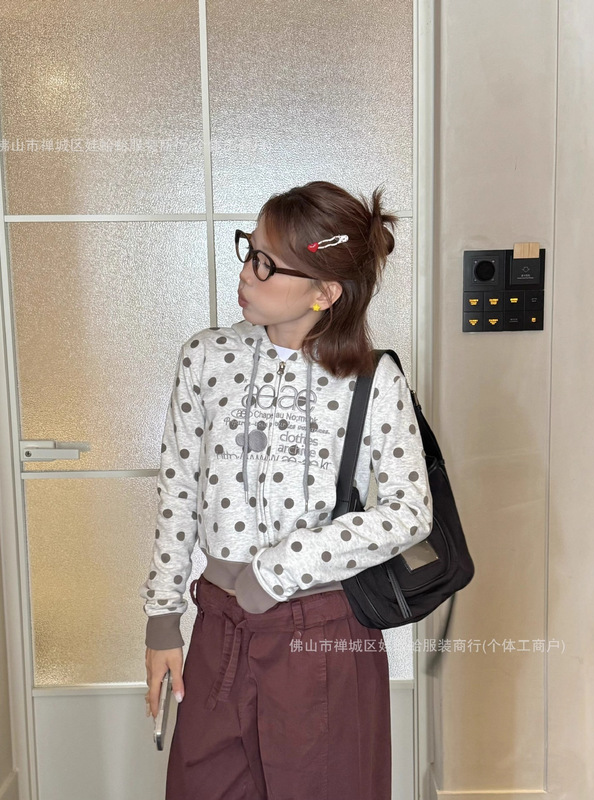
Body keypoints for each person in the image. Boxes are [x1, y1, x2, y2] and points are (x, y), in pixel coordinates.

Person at [140, 180, 433, 800]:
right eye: (249, 251)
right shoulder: (205, 357)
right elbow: (178, 489)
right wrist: (163, 617)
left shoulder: (372, 378)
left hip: (323, 637)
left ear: (326, 292)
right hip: (219, 628)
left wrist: (281, 567)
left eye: (267, 264)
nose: (247, 273)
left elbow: (410, 512)